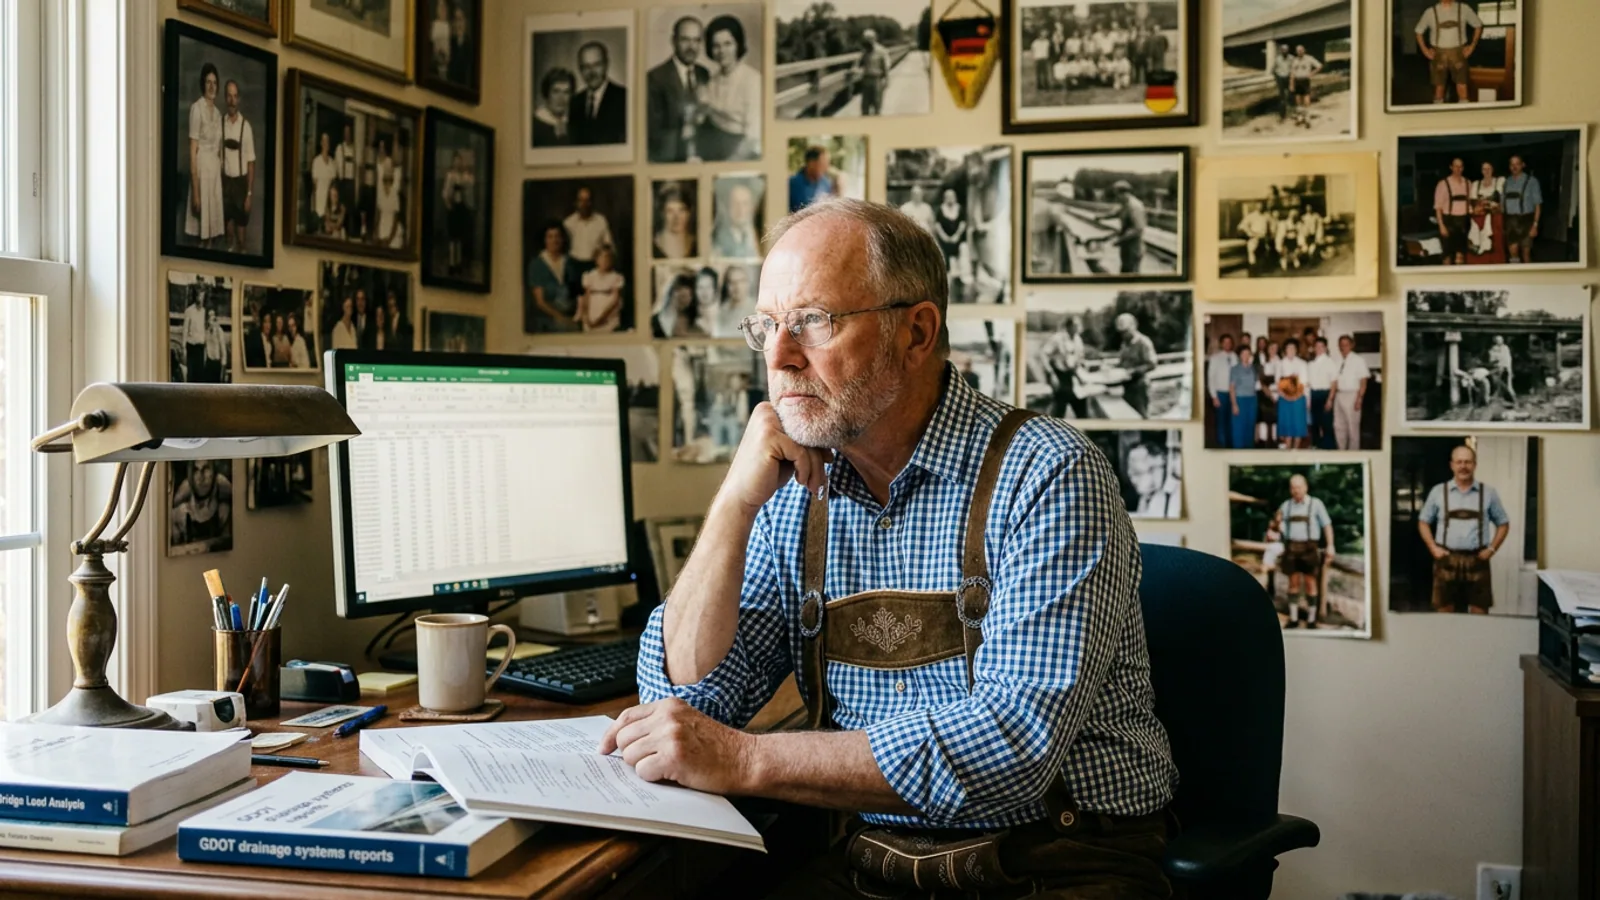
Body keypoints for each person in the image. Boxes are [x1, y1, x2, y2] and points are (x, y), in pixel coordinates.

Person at [606, 197, 1177, 897]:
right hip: (878, 860)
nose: (780, 357)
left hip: (1056, 859)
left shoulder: (1050, 474)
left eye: (813, 321)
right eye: (767, 327)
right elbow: (687, 698)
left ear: (916, 331)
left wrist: (748, 761)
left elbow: (1014, 746)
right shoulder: (794, 494)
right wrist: (732, 505)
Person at [1418, 444, 1510, 614]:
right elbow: (1423, 522)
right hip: (1446, 560)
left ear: (1474, 465)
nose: (1463, 466)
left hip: (1478, 561)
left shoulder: (1488, 493)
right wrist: (1433, 547)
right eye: (1459, 462)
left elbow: (1503, 523)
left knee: (1479, 612)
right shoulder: (1438, 492)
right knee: (1444, 612)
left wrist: (1492, 549)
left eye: (1468, 462)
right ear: (1452, 465)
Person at [647, 16, 710, 163]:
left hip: (701, 158)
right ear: (673, 41)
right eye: (685, 40)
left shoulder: (704, 73)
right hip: (670, 160)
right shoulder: (655, 78)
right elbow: (653, 133)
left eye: (696, 40)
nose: (691, 47)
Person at [699, 15, 761, 162]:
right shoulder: (712, 80)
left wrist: (728, 164)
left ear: (738, 44)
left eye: (728, 44)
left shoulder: (753, 80)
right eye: (716, 45)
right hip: (712, 146)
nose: (722, 51)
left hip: (739, 151)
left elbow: (753, 137)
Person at [1276, 474, 1334, 628]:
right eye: (1293, 487)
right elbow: (1277, 523)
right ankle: (1294, 619)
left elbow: (1327, 525)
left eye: (1299, 487)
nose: (1296, 491)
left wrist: (1330, 545)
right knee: (1293, 583)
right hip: (1291, 549)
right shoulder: (1285, 506)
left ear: (1306, 487)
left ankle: (1311, 619)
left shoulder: (1315, 504)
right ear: (1290, 489)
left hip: (1309, 549)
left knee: (1310, 583)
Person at [185, 62, 225, 247]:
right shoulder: (197, 108)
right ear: (203, 84)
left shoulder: (218, 114)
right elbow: (193, 150)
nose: (211, 86)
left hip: (214, 177)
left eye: (215, 83)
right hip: (201, 175)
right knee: (200, 236)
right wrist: (195, 191)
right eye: (208, 82)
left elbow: (218, 149)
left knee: (212, 237)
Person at [1415, 0, 1482, 105]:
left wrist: (1472, 46)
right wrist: (1425, 50)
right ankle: (1438, 115)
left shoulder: (1464, 9)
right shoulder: (1430, 12)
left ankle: (1463, 114)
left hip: (1459, 55)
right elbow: (1418, 31)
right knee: (1439, 86)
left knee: (1462, 85)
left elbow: (1478, 25)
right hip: (1438, 56)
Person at [219, 80, 255, 254]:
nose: (232, 100)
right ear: (225, 98)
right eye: (229, 96)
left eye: (235, 96)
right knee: (228, 236)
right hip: (226, 184)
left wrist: (249, 194)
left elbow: (251, 162)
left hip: (240, 185)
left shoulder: (245, 127)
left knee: (242, 239)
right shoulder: (220, 124)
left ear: (238, 99)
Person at [526, 223, 581, 333]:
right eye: (550, 237)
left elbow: (577, 294)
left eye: (557, 236)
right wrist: (560, 318)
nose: (554, 240)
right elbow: (540, 302)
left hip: (571, 315)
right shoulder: (537, 264)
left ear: (562, 239)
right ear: (545, 240)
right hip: (547, 319)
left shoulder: (570, 262)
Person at [571, 41, 628, 146]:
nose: (591, 72)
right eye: (585, 67)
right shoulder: (574, 102)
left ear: (606, 64)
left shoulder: (624, 98)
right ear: (580, 69)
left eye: (597, 65)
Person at [169, 460, 231, 549]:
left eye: (206, 469)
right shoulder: (185, 493)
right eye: (196, 470)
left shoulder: (221, 484)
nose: (201, 477)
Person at [1327, 334, 1370, 450]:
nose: (1343, 347)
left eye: (1346, 345)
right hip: (1339, 395)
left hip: (1352, 395)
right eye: (1341, 345)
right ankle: (1341, 451)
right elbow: (1333, 380)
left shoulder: (1359, 360)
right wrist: (1331, 398)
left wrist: (1359, 398)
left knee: (1352, 427)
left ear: (1352, 345)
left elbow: (1363, 382)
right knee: (1338, 426)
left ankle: (1354, 453)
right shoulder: (1336, 360)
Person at [1042, 315, 1087, 419]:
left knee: (1081, 406)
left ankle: (1086, 431)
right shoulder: (1057, 338)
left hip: (1073, 376)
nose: (1079, 327)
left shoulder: (1078, 339)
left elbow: (1079, 357)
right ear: (1069, 326)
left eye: (1079, 325)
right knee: (1059, 409)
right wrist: (1051, 373)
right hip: (1060, 377)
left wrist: (1082, 367)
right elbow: (1044, 354)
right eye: (1076, 325)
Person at [441, 149, 476, 276]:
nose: (457, 163)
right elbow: (445, 193)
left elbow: (471, 186)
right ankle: (451, 263)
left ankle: (459, 263)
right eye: (455, 161)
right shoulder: (450, 176)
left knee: (460, 238)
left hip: (462, 209)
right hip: (453, 209)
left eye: (459, 161)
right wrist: (448, 205)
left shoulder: (466, 176)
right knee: (452, 238)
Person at [1116, 311, 1157, 418]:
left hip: (1140, 385)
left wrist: (1134, 371)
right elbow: (1122, 363)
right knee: (1129, 415)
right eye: (1121, 332)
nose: (1123, 335)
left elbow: (1152, 364)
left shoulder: (1143, 342)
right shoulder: (1124, 344)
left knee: (1142, 415)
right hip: (1127, 386)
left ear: (1133, 327)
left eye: (1125, 331)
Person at [1502, 154, 1542, 264]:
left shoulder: (1532, 181)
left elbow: (1537, 205)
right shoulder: (1506, 182)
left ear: (1523, 165)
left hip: (1527, 221)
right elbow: (1502, 205)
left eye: (1517, 164)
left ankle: (1528, 278)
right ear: (1509, 166)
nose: (1514, 167)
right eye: (1512, 164)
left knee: (1526, 254)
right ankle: (1515, 278)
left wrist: (1535, 225)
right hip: (1511, 222)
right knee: (1513, 254)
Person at [563, 187, 613, 274]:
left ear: (592, 202)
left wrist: (601, 251)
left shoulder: (601, 221)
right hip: (574, 266)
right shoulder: (568, 223)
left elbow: (608, 244)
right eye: (581, 200)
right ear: (576, 203)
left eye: (587, 200)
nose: (584, 204)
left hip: (595, 265)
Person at [577, 244, 625, 332]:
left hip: (608, 313)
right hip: (593, 310)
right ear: (596, 259)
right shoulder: (589, 276)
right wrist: (586, 315)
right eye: (602, 257)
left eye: (608, 258)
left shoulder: (616, 277)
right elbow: (586, 297)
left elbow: (615, 300)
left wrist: (602, 318)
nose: (605, 260)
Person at [1433, 157, 1472, 265]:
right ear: (1451, 167)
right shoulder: (1443, 184)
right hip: (1448, 222)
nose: (1458, 169)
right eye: (1456, 166)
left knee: (1461, 255)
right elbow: (1438, 207)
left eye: (1460, 166)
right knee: (1447, 255)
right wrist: (1441, 225)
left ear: (1463, 168)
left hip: (1464, 222)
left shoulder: (1468, 183)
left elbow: (1470, 205)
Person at [1126, 441, 1179, 519]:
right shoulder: (1145, 497)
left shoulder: (1176, 496)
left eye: (1137, 473)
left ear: (1158, 461)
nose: (1132, 480)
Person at [1276, 337, 1310, 449]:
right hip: (1284, 399)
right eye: (1288, 348)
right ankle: (1287, 448)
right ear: (1285, 350)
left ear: (1296, 350)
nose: (1291, 350)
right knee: (1287, 425)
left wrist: (1297, 396)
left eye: (1293, 348)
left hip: (1298, 399)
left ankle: (1296, 449)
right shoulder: (1280, 364)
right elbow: (1278, 383)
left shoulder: (1302, 364)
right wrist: (1285, 395)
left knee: (1298, 425)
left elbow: (1304, 383)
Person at [713, 180, 762, 258]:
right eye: (735, 203)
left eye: (745, 204)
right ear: (728, 206)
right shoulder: (717, 239)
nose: (740, 210)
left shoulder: (757, 235)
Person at [851, 28, 892, 116]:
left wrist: (887, 80)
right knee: (864, 108)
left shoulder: (881, 51)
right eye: (864, 40)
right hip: (866, 80)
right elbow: (858, 63)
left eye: (867, 39)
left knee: (877, 107)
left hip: (877, 80)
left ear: (873, 39)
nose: (865, 42)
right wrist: (854, 69)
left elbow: (886, 67)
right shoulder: (864, 51)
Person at [1110, 180, 1147, 275]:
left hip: (1134, 248)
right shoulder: (1125, 204)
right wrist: (1100, 217)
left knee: (1132, 274)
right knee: (1125, 272)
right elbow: (1116, 213)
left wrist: (1120, 240)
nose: (1116, 198)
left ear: (1123, 193)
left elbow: (1138, 229)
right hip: (1126, 246)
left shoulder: (1135, 206)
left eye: (1117, 194)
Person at [532, 67, 576, 147]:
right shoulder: (533, 126)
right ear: (547, 94)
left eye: (566, 92)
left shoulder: (574, 124)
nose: (561, 98)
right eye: (556, 91)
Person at [652, 270, 703, 338]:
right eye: (682, 297)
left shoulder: (696, 324)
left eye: (686, 297)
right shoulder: (655, 322)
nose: (683, 301)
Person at [1307, 336, 1338, 450]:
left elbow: (1334, 383)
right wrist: (1309, 400)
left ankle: (1329, 449)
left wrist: (1330, 400)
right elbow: (1309, 384)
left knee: (1326, 424)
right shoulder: (1311, 364)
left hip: (1325, 394)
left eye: (1321, 346)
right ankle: (1316, 446)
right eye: (1317, 346)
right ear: (1314, 348)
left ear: (1325, 348)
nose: (1319, 348)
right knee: (1315, 423)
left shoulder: (1330, 362)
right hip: (1314, 395)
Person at [1207, 333, 1237, 448]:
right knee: (1221, 422)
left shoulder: (1235, 357)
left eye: (1229, 342)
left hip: (1233, 394)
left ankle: (1231, 445)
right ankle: (1222, 445)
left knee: (1232, 421)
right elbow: (1211, 378)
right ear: (1221, 344)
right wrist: (1214, 396)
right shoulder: (1215, 358)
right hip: (1221, 393)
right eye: (1225, 342)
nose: (1227, 344)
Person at [653, 183, 696, 259]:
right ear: (662, 213)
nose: (676, 217)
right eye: (670, 211)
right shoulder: (653, 246)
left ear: (689, 213)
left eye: (682, 210)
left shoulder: (697, 245)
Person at [1229, 346, 1259, 451]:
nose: (1246, 356)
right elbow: (1232, 388)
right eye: (1244, 354)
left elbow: (1257, 384)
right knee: (1238, 427)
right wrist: (1234, 404)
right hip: (1240, 400)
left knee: (1250, 426)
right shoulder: (1235, 369)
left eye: (1248, 354)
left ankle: (1249, 451)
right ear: (1240, 355)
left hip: (1252, 400)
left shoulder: (1253, 368)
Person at [788, 145, 835, 213]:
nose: (826, 167)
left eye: (827, 163)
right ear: (811, 163)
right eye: (823, 163)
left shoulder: (826, 184)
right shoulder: (792, 184)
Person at [933, 188, 966, 275]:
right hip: (944, 240)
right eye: (948, 196)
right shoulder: (941, 209)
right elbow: (937, 225)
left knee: (962, 250)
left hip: (957, 239)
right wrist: (945, 237)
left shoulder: (960, 209)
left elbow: (962, 224)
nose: (950, 198)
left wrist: (956, 236)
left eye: (952, 196)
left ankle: (959, 274)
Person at [308, 132, 337, 233]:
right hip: (318, 204)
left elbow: (333, 186)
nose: (326, 144)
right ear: (321, 143)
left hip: (328, 206)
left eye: (327, 142)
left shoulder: (332, 163)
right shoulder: (316, 162)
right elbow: (314, 186)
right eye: (324, 141)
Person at [1288, 45, 1322, 127]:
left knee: (1307, 100)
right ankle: (1300, 117)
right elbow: (1292, 73)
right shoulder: (1294, 60)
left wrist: (1312, 73)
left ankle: (1307, 118)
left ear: (1304, 50)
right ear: (1296, 52)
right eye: (1298, 50)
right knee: (1298, 100)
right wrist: (1291, 84)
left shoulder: (1309, 58)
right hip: (1297, 81)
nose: (1299, 51)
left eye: (1301, 50)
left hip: (1305, 81)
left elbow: (1319, 66)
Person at [333, 122, 358, 227]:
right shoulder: (339, 148)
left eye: (349, 132)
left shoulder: (354, 149)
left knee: (350, 211)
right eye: (345, 132)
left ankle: (349, 231)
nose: (347, 135)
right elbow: (336, 167)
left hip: (351, 183)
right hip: (342, 183)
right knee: (342, 209)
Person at [446, 0, 475, 86]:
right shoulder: (450, 43)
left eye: (460, 20)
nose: (458, 24)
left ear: (465, 22)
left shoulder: (470, 47)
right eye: (456, 20)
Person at [181, 288, 207, 383]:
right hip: (191, 346)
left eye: (202, 296)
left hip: (200, 347)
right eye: (199, 296)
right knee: (190, 375)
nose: (201, 299)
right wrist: (183, 347)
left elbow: (205, 329)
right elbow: (185, 329)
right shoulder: (189, 311)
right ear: (196, 297)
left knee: (200, 375)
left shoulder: (204, 312)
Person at [1239, 202, 1272, 269]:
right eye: (1258, 205)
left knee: (1264, 252)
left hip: (1263, 237)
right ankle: (1252, 268)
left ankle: (1261, 269)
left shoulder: (1266, 216)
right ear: (1256, 207)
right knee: (1251, 251)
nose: (1260, 207)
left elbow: (1270, 227)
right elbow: (1242, 226)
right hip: (1254, 237)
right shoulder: (1251, 216)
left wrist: (1268, 235)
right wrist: (1250, 233)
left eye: (1262, 205)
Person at [1487, 334, 1516, 404]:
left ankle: (1511, 398)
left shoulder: (1506, 348)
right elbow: (1492, 360)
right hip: (1497, 369)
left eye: (1501, 340)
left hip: (1506, 368)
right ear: (1495, 341)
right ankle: (1498, 398)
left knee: (1508, 384)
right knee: (1497, 383)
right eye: (1498, 340)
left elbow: (1508, 359)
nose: (1500, 341)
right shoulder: (1493, 349)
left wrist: (1509, 369)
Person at [1271, 44, 1293, 121]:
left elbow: (1293, 68)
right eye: (1283, 50)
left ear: (1288, 50)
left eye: (1286, 50)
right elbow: (1273, 70)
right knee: (1282, 97)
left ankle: (1291, 112)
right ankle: (1282, 115)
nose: (1285, 51)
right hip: (1280, 77)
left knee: (1290, 94)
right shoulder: (1277, 59)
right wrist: (1277, 78)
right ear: (1281, 51)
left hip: (1288, 77)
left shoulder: (1291, 58)